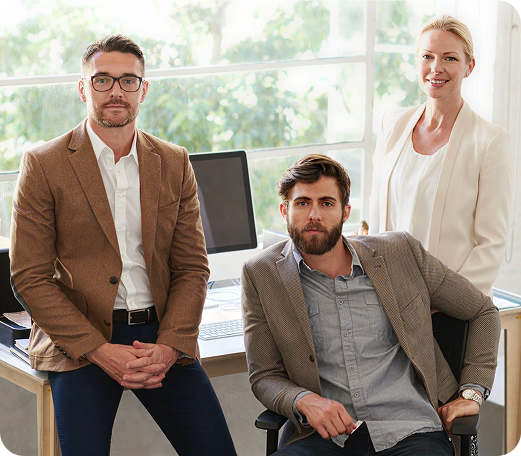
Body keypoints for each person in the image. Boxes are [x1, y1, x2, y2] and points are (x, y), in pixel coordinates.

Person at [10, 34, 237, 456]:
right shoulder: (44, 164)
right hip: (81, 340)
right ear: (83, 89)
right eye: (102, 79)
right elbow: (30, 277)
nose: (116, 91)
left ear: (143, 90)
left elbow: (192, 267)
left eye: (128, 80)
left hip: (161, 336)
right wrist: (98, 350)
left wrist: (170, 346)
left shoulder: (174, 161)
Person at [241, 154, 500, 456]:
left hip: (411, 430)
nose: (314, 214)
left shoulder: (400, 253)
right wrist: (303, 400)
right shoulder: (262, 273)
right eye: (302, 203)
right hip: (322, 436)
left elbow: (482, 312)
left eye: (326, 203)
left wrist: (472, 392)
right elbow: (264, 375)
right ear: (285, 210)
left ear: (345, 212)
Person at [369, 15, 511, 296]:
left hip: (449, 306)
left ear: (469, 66)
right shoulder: (391, 124)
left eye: (450, 58)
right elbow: (376, 218)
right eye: (427, 56)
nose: (436, 68)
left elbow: (491, 242)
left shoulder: (490, 141)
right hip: (388, 296)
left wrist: (446, 300)